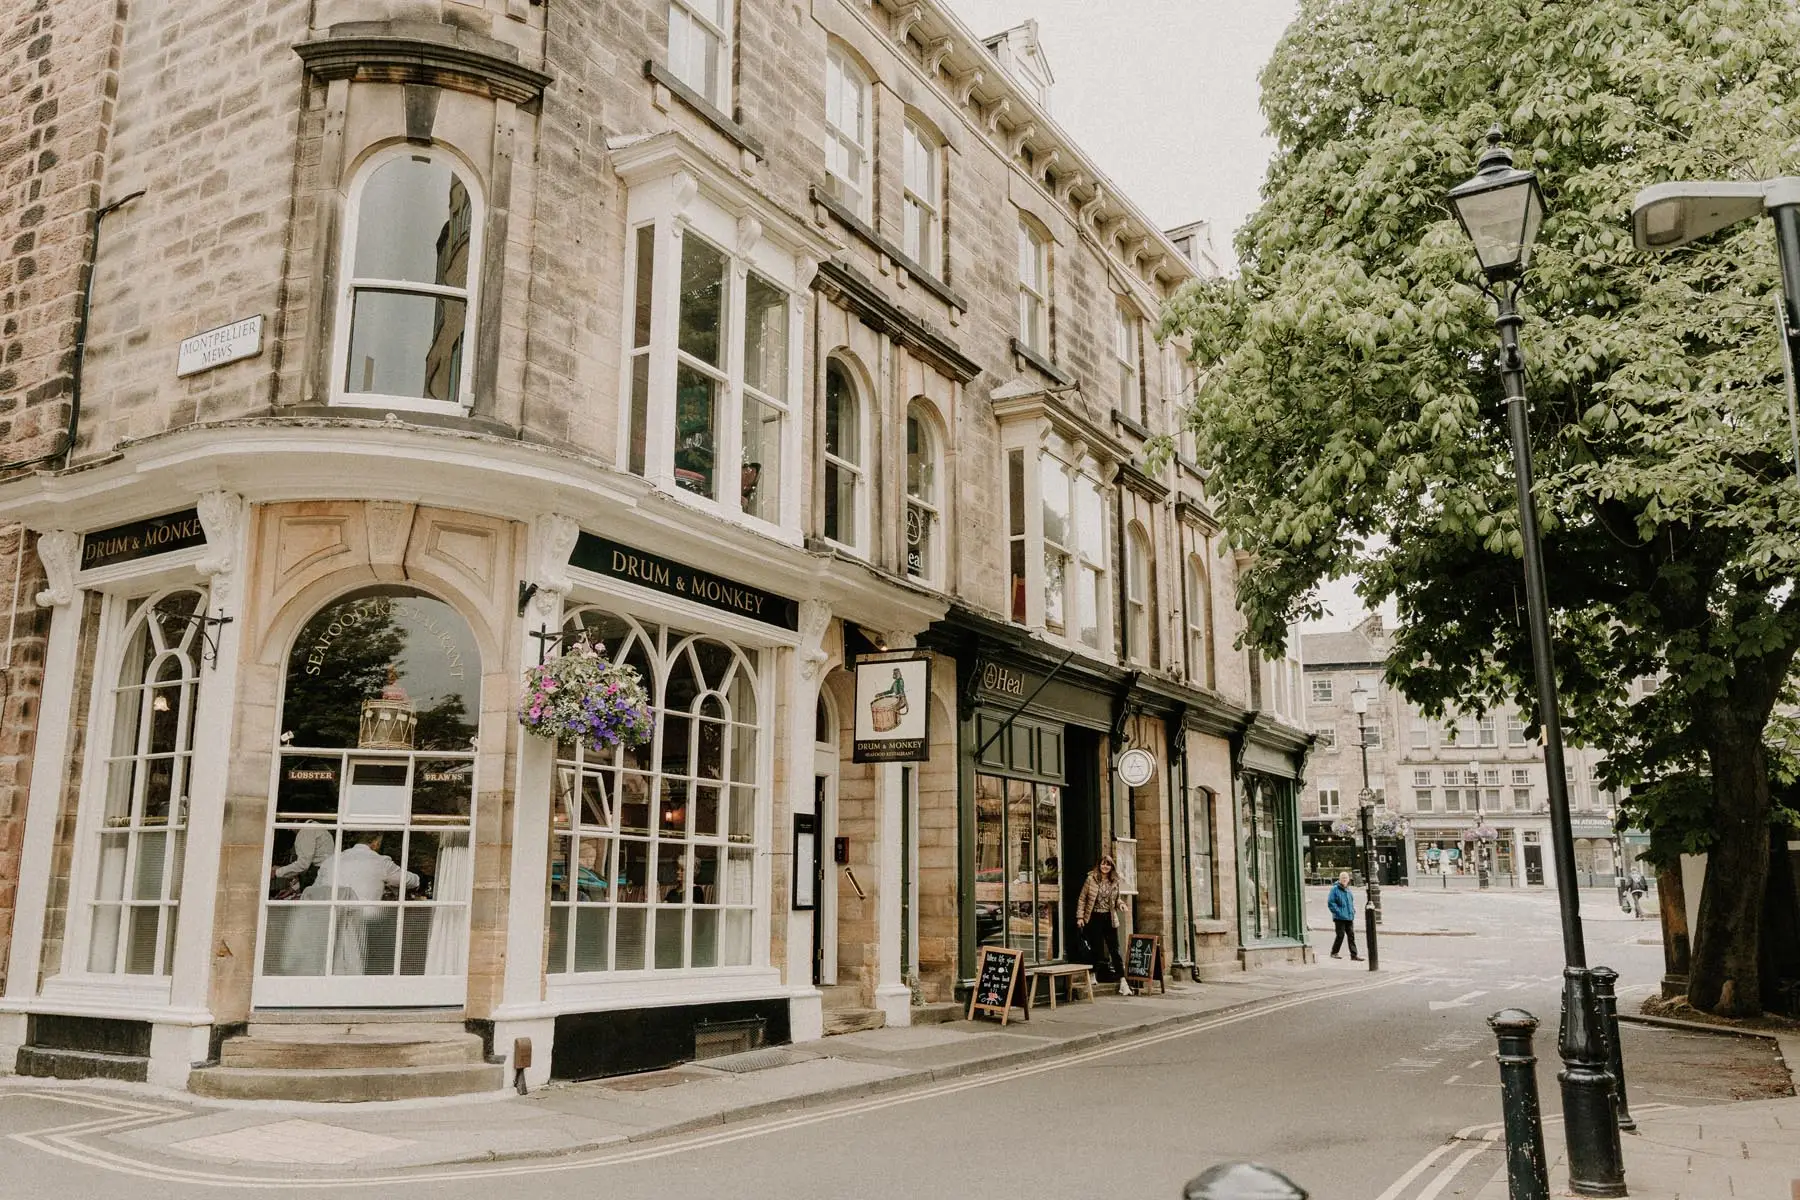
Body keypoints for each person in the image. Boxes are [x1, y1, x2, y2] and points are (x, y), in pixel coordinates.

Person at [1077, 855, 1130, 992]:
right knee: (1097, 948)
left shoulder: (1114, 881)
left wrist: (1122, 905)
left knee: (1115, 949)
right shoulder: (1091, 879)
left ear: (1111, 867)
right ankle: (1093, 974)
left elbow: (1117, 899)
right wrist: (1080, 917)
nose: (1105, 867)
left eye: (1108, 864)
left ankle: (1122, 980)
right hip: (1094, 917)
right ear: (1099, 865)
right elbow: (1082, 899)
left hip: (1109, 917)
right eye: (1103, 864)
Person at [1327, 871, 1362, 960]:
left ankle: (1354, 955)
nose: (1344, 880)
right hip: (1339, 918)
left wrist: (1353, 911)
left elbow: (1351, 902)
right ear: (1339, 879)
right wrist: (1338, 912)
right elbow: (1331, 903)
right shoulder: (1334, 889)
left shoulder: (1348, 890)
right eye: (1343, 878)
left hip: (1349, 917)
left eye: (1346, 878)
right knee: (1340, 935)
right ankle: (1334, 952)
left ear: (1348, 879)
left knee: (1351, 936)